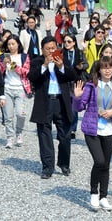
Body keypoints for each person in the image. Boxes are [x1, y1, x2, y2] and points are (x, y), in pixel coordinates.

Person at [73, 56, 112, 211]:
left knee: (106, 165)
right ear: (99, 70)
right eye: (104, 67)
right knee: (99, 161)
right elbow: (79, 107)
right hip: (92, 129)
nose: (107, 70)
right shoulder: (91, 86)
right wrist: (76, 97)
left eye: (110, 67)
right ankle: (93, 193)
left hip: (109, 130)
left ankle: (104, 196)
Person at [28, 36, 78, 179]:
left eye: (53, 48)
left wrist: (61, 66)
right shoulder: (37, 61)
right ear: (42, 49)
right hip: (45, 101)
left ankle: (63, 163)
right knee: (44, 134)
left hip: (61, 101)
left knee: (65, 135)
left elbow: (73, 75)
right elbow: (31, 77)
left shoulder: (62, 59)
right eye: (48, 49)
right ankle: (47, 167)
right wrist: (44, 65)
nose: (51, 51)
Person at [0, 35, 32, 148]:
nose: (11, 46)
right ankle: (9, 137)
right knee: (8, 116)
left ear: (18, 44)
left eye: (13, 44)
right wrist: (4, 64)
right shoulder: (3, 57)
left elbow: (26, 72)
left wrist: (13, 65)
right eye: (9, 44)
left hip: (20, 88)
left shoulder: (24, 57)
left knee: (20, 114)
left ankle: (19, 132)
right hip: (7, 88)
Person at [63, 34, 89, 139]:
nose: (66, 44)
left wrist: (81, 66)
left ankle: (72, 129)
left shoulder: (79, 53)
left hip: (76, 82)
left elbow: (87, 64)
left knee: (74, 108)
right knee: (65, 107)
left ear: (74, 42)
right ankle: (65, 127)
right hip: (65, 82)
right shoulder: (61, 53)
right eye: (65, 41)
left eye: (69, 41)